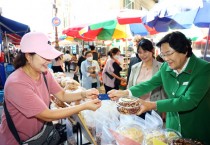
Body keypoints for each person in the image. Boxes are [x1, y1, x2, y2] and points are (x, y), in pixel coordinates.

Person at [108, 31, 210, 144]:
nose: (166, 58)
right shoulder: (166, 67)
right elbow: (149, 84)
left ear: (185, 50)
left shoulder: (204, 69)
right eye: (163, 55)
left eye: (169, 53)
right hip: (173, 129)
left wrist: (152, 105)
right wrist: (125, 93)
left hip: (195, 128)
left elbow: (188, 101)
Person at [0, 32, 102, 145]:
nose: (49, 61)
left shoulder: (44, 73)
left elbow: (62, 95)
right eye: (44, 56)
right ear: (28, 56)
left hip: (40, 135)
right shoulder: (16, 83)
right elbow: (47, 115)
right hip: (17, 141)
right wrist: (84, 106)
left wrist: (84, 94)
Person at [127, 39, 166, 118]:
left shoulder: (161, 67)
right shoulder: (135, 67)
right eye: (140, 52)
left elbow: (164, 90)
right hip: (137, 108)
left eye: (145, 51)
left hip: (153, 108)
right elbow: (130, 87)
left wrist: (164, 111)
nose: (143, 55)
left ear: (152, 50)